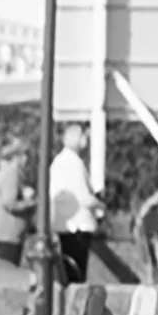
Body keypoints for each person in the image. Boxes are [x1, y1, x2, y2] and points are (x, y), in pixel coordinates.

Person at [46, 121, 101, 283]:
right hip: (77, 226)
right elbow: (84, 198)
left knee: (69, 271)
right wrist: (100, 204)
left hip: (65, 223)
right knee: (76, 272)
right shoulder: (73, 163)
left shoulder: (60, 161)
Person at [0, 140, 32, 266]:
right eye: (24, 155)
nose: (27, 159)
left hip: (4, 230)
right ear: (16, 157)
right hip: (9, 231)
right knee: (9, 269)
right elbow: (10, 204)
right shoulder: (12, 174)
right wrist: (31, 202)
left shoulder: (3, 172)